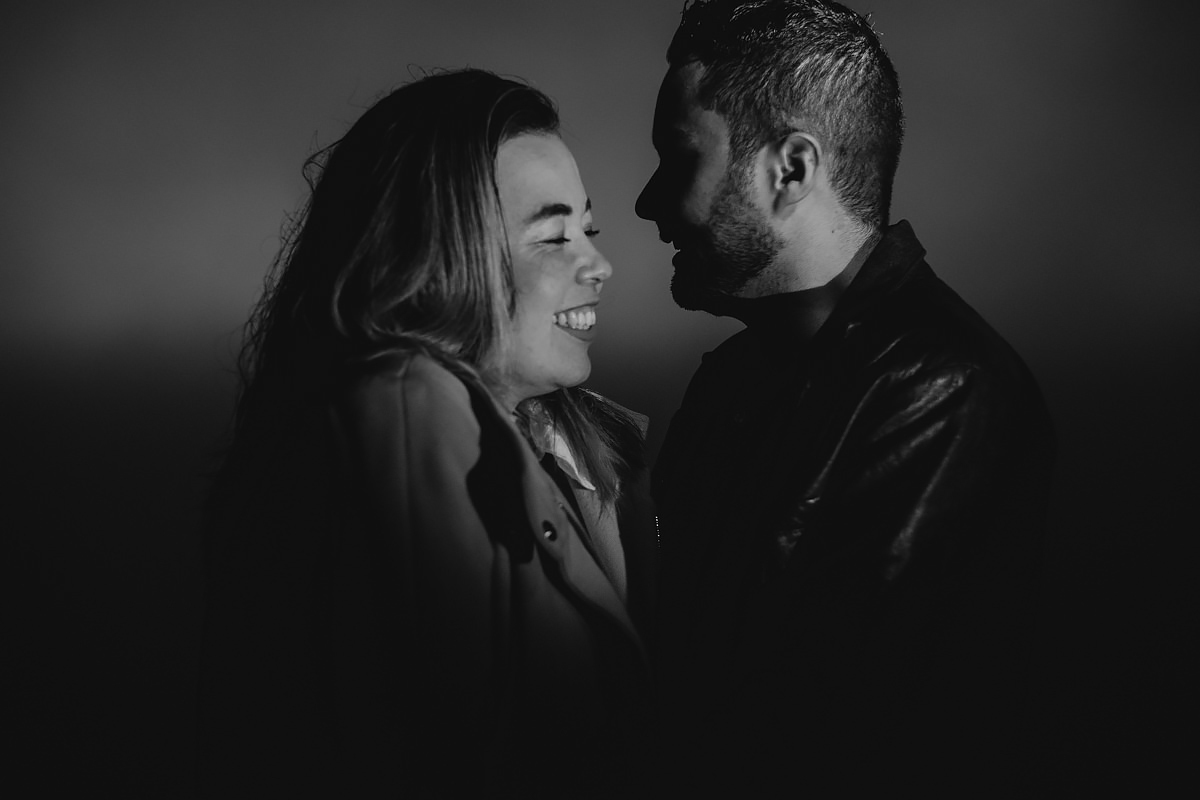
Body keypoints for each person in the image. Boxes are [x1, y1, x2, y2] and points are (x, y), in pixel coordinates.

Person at [197, 68, 656, 798]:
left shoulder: (567, 448)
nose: (598, 263)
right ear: (444, 252)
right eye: (552, 236)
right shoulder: (408, 408)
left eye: (588, 229)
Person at [636, 0, 1056, 792]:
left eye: (678, 157)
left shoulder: (945, 387)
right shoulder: (734, 378)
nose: (647, 201)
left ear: (790, 168)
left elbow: (835, 724)